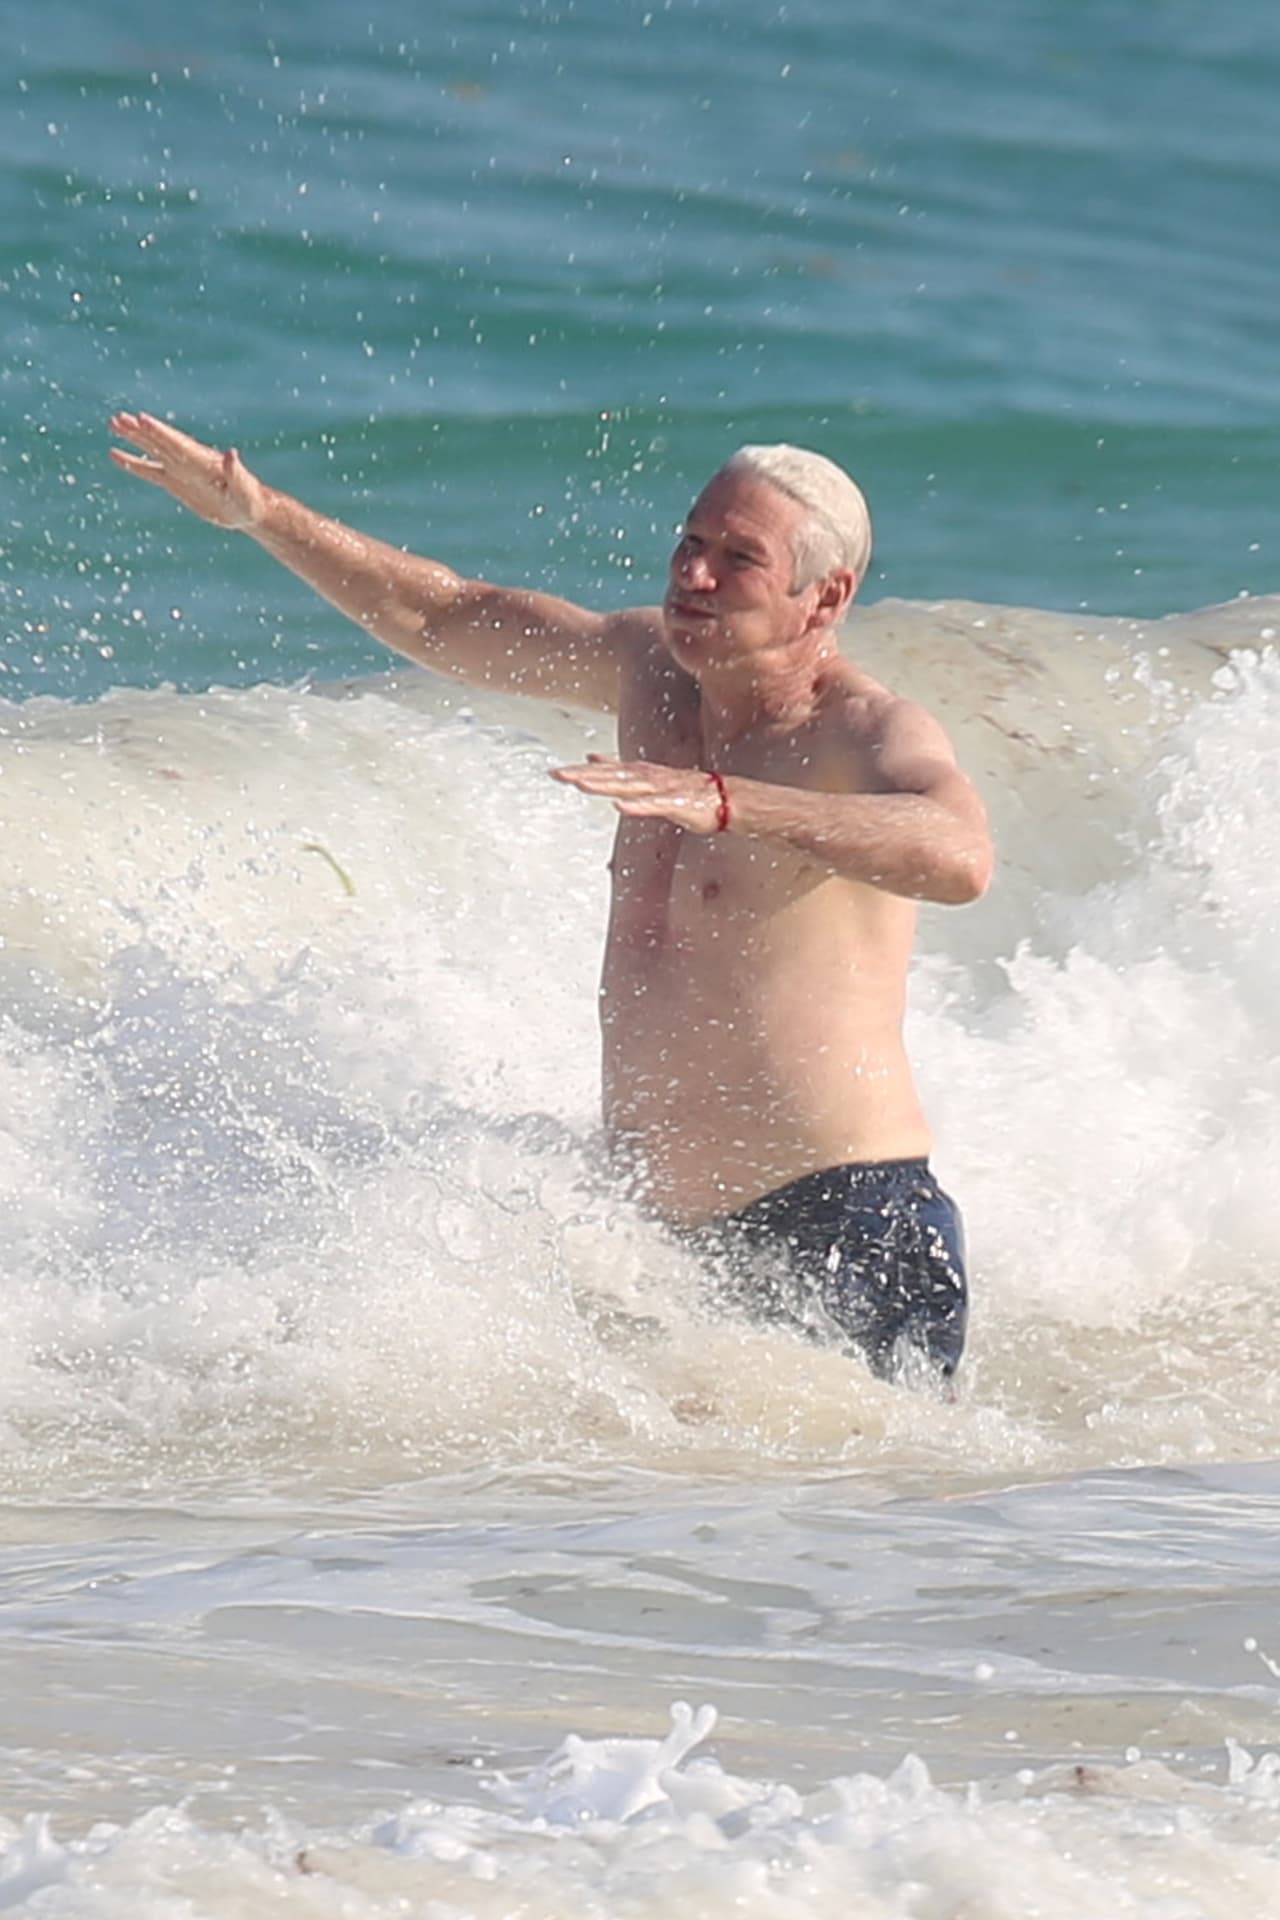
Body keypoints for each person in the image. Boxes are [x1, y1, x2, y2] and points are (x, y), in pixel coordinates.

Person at [109, 413, 993, 1385]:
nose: (691, 577)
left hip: (845, 1222)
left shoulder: (858, 732)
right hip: (665, 1250)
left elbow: (955, 854)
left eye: (737, 559)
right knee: (648, 1536)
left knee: (851, 1534)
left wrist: (731, 803)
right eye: (688, 544)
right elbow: (441, 616)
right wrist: (262, 515)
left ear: (824, 597)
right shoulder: (647, 670)